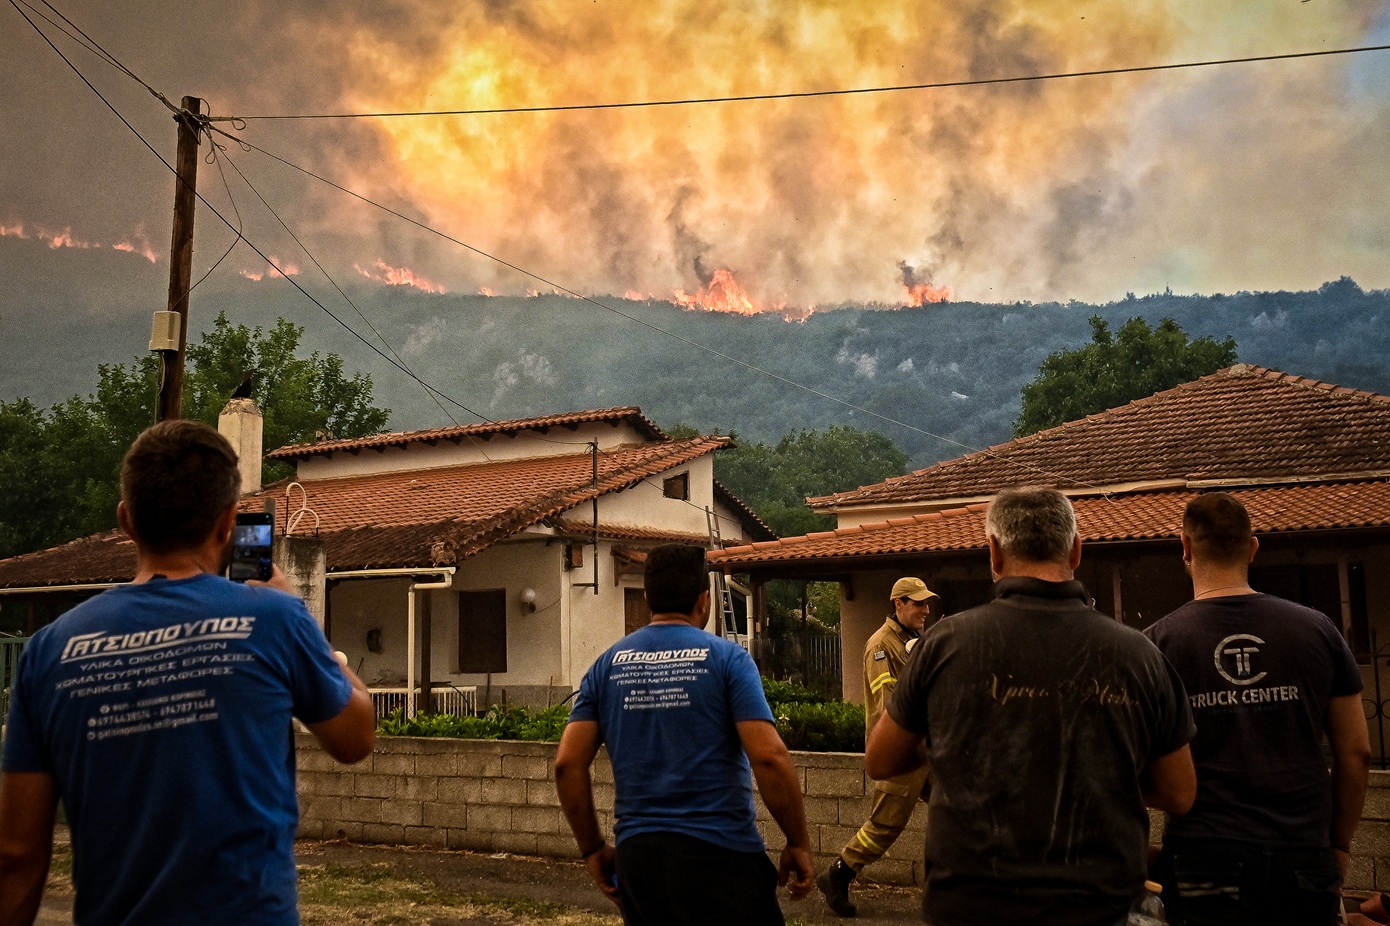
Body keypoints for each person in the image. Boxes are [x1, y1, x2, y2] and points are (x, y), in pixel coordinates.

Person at [0, 420, 376, 926]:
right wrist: (302, 618)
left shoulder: (49, 651)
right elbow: (356, 737)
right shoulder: (275, 619)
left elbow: (16, 856)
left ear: (126, 520)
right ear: (227, 524)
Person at [866, 486, 1197, 926]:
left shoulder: (944, 645)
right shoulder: (1139, 655)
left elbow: (881, 760)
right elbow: (1179, 793)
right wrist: (1098, 771)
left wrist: (951, 748)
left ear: (994, 552)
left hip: (969, 906)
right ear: (1076, 550)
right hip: (1096, 907)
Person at [555, 543, 815, 925]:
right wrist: (797, 841)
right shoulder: (728, 660)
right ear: (704, 600)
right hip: (721, 856)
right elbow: (769, 757)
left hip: (640, 861)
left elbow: (567, 764)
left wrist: (593, 849)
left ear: (647, 597)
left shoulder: (605, 667)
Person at [1144, 492, 1371, 926]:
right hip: (1303, 854)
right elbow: (1357, 752)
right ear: (1252, 548)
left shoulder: (1156, 644)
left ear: (1185, 548)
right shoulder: (1317, 630)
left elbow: (1132, 764)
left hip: (1202, 858)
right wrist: (1339, 843)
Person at [819, 576, 938, 917]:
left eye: (926, 603)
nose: (926, 610)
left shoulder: (913, 640)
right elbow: (890, 705)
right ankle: (838, 874)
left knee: (955, 809)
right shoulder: (881, 646)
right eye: (918, 603)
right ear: (899, 604)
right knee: (885, 825)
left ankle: (946, 886)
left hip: (926, 748)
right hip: (900, 752)